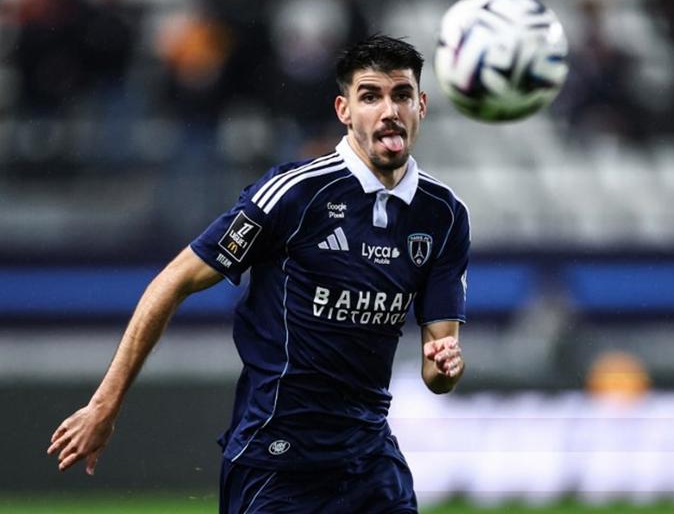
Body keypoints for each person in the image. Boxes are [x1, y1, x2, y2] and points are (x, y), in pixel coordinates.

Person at [47, 34, 469, 513]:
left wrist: (446, 363)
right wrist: (105, 405)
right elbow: (174, 280)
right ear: (344, 110)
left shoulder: (444, 215)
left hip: (370, 461)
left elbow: (438, 372)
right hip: (277, 462)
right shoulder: (290, 194)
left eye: (401, 95)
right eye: (370, 96)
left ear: (422, 105)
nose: (388, 110)